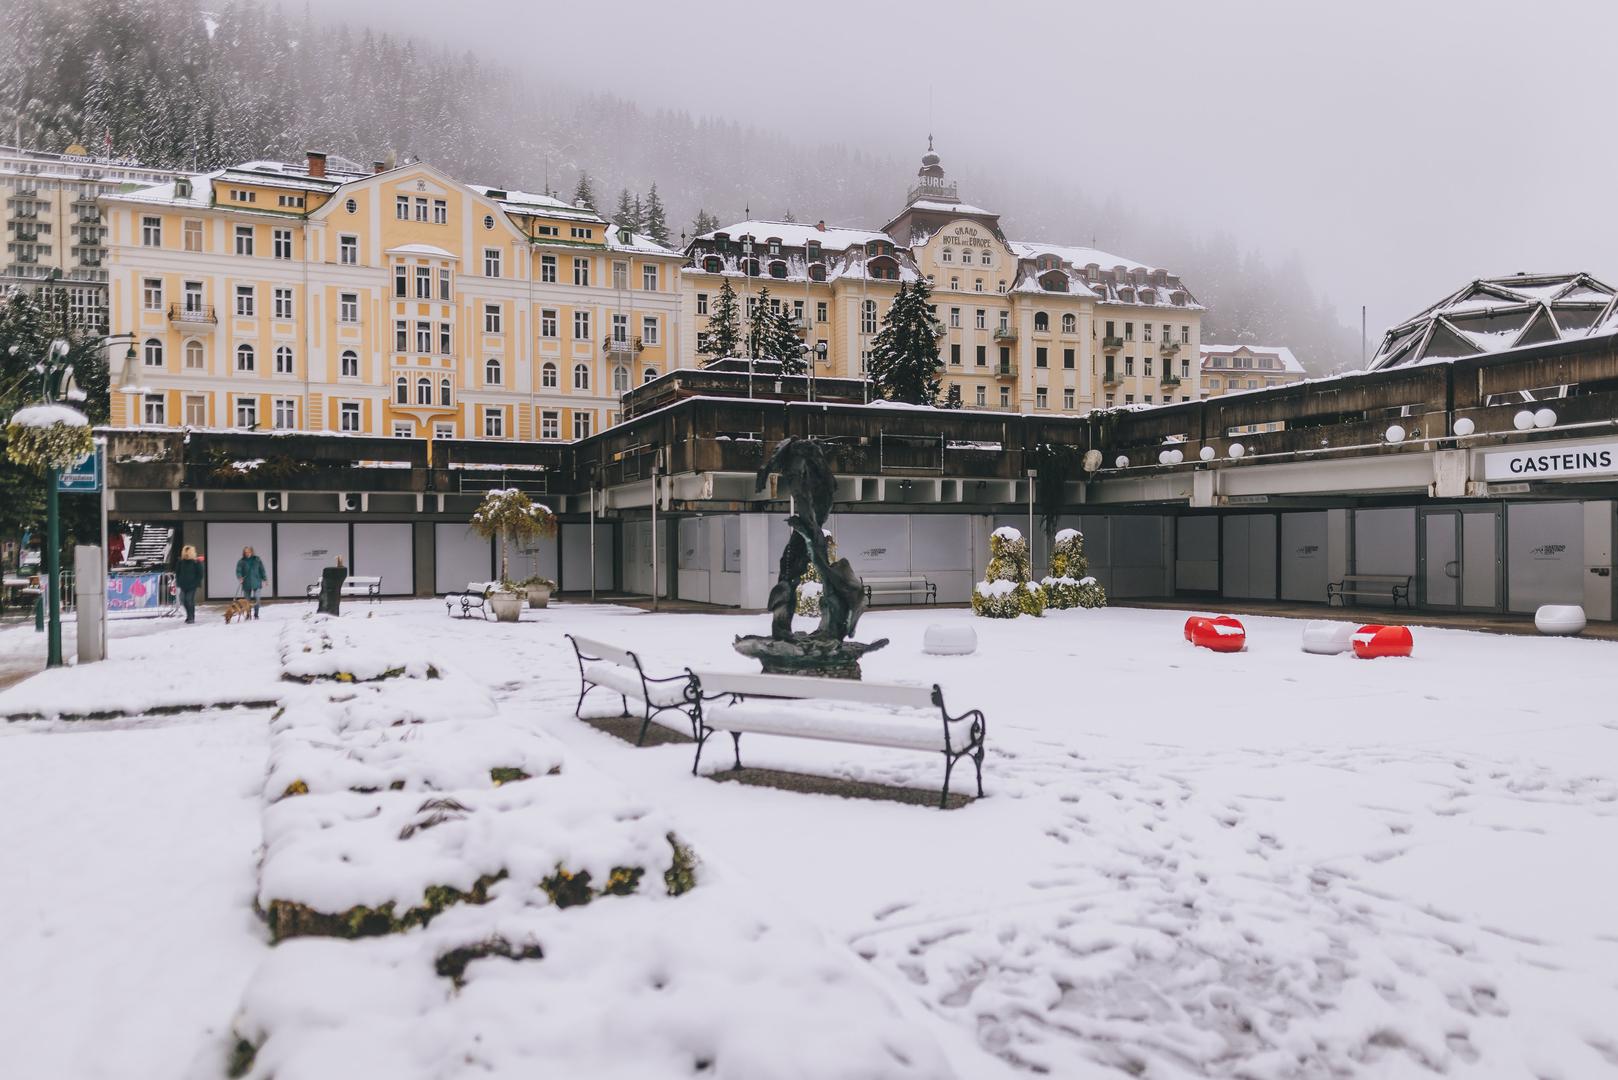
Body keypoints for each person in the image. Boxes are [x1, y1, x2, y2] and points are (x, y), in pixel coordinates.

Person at [236, 546, 268, 619]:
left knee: (257, 598)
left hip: (256, 582)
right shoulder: (241, 561)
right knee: (247, 600)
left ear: (251, 552)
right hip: (246, 583)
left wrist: (265, 579)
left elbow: (262, 569)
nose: (247, 553)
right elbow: (238, 571)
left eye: (248, 552)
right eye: (245, 552)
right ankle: (248, 614)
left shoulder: (257, 560)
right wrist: (240, 577)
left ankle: (256, 614)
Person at [175, 545, 204, 624]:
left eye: (188, 552)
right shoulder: (180, 562)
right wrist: (178, 582)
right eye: (185, 551)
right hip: (183, 585)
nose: (186, 553)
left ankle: (191, 617)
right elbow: (177, 572)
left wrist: (195, 582)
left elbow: (200, 574)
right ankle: (189, 615)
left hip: (192, 585)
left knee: (189, 600)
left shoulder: (196, 562)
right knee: (183, 600)